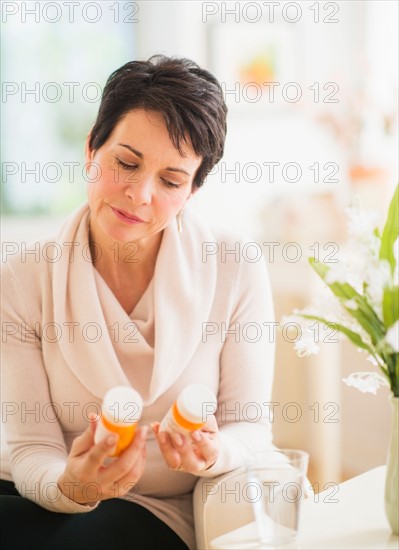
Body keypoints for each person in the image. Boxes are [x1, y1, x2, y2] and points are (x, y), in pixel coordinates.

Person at [0, 55, 276, 549]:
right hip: (45, 494)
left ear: (193, 190)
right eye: (125, 163)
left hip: (155, 511)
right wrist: (73, 485)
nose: (139, 194)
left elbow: (251, 426)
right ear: (91, 148)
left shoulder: (234, 266)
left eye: (170, 181)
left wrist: (212, 454)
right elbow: (31, 448)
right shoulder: (22, 278)